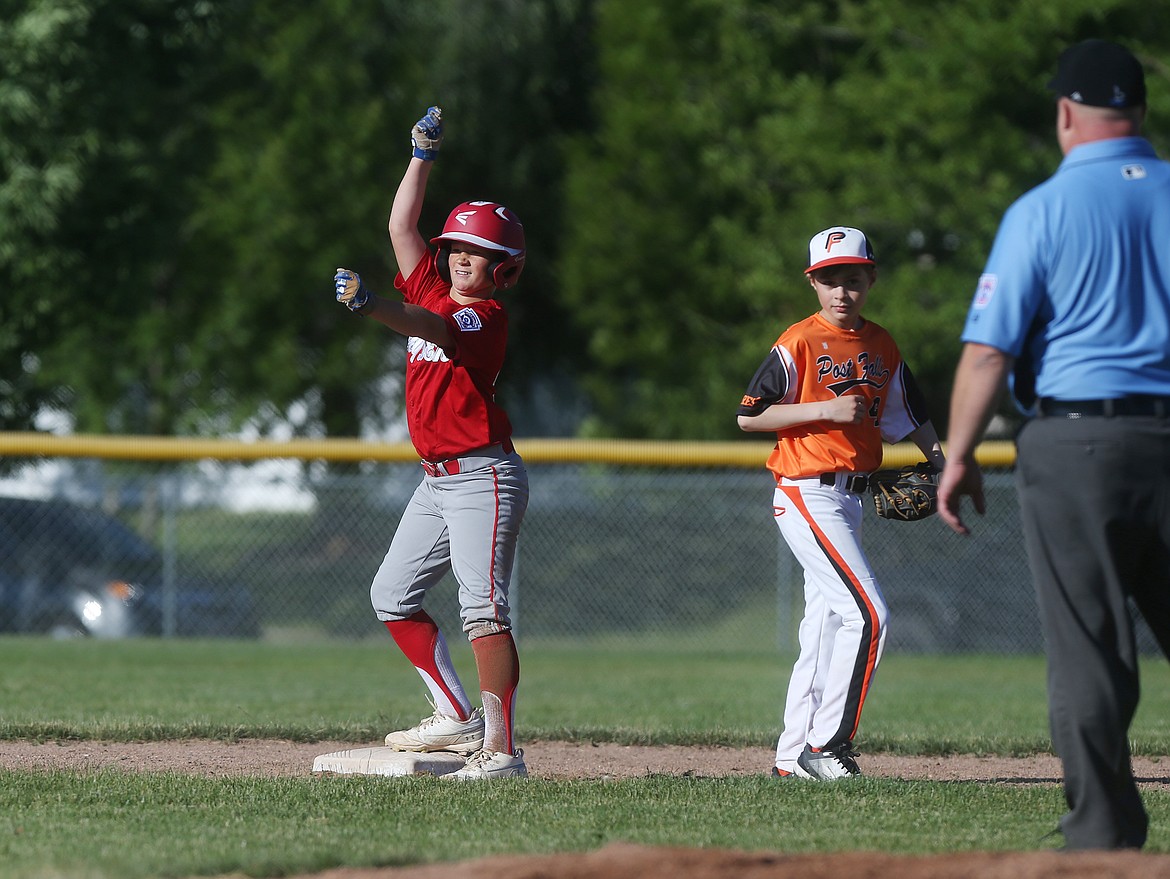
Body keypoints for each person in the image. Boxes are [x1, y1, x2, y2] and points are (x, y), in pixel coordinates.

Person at [938, 39, 1170, 849]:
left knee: (1090, 647)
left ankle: (1104, 840)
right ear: (1139, 113)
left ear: (1066, 115)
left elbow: (989, 351)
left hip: (1080, 444)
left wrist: (959, 454)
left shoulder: (1042, 209)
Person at [333, 105, 530, 780]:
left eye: (483, 255)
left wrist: (370, 307)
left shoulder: (482, 315)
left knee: (484, 608)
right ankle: (454, 713)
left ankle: (501, 752)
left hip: (483, 476)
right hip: (437, 479)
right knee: (391, 593)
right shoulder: (434, 283)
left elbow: (429, 324)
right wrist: (422, 155)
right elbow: (400, 225)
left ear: (503, 269)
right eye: (460, 250)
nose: (467, 261)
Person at [737, 226, 945, 780]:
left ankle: (792, 758)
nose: (841, 292)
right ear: (814, 283)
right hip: (806, 491)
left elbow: (913, 412)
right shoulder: (797, 342)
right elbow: (750, 415)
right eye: (829, 280)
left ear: (870, 280)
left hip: (852, 498)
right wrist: (824, 414)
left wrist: (943, 464)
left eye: (852, 279)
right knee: (869, 614)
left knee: (826, 628)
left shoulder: (883, 345)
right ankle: (827, 747)